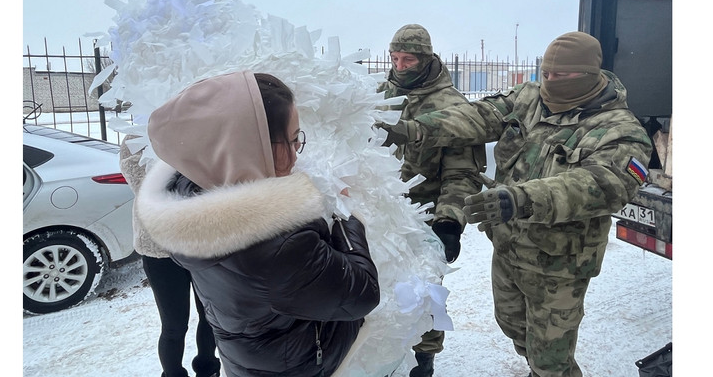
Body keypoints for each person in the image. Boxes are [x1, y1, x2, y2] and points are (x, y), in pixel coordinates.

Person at [423, 31, 651, 377]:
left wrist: (523, 198)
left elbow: (604, 184)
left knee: (551, 360)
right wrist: (412, 129)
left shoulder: (619, 129)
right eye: (545, 73)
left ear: (588, 76)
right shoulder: (529, 99)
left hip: (559, 263)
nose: (549, 81)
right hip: (509, 248)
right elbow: (477, 117)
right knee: (513, 327)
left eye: (560, 75)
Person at [134, 71, 381, 377]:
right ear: (246, 146)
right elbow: (363, 294)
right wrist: (347, 216)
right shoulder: (276, 242)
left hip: (246, 355)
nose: (295, 155)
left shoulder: (190, 193)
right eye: (290, 141)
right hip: (297, 362)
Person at [376, 24, 486, 377]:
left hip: (423, 223)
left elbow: (461, 174)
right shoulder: (380, 95)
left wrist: (449, 222)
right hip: (377, 220)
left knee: (423, 302)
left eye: (408, 59)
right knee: (375, 300)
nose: (400, 66)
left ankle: (422, 367)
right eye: (395, 58)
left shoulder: (452, 108)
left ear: (425, 59)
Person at [120, 137, 221, 377]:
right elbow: (144, 187)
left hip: (201, 243)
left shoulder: (200, 128)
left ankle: (208, 369)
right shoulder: (137, 136)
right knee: (174, 325)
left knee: (211, 316)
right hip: (160, 249)